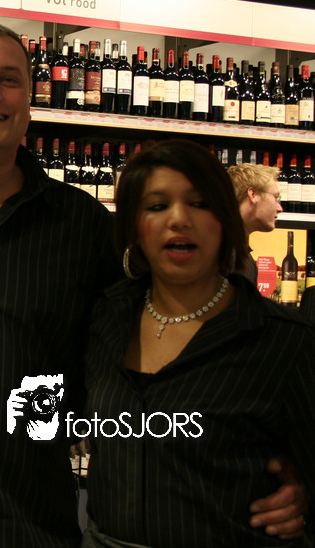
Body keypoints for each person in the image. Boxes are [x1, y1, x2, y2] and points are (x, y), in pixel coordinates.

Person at [0, 24, 307, 547]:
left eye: (10, 79)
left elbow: (169, 367)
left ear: (29, 103)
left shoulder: (83, 227)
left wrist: (298, 474)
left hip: (31, 528)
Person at [84, 139, 315, 547]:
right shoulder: (103, 320)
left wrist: (307, 497)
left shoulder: (283, 342)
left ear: (224, 219)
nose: (179, 219)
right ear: (134, 227)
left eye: (199, 204)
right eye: (157, 206)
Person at [227, 162, 283, 284]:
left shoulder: (244, 257)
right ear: (253, 195)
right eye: (276, 197)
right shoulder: (217, 253)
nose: (280, 208)